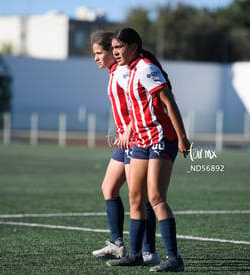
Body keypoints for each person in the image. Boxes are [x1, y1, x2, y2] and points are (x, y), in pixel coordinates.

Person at [106, 28, 191, 272]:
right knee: (136, 197)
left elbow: (169, 102)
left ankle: (174, 259)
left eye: (119, 47)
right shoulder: (130, 71)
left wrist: (183, 137)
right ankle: (135, 255)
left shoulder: (145, 68)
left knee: (155, 197)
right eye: (113, 48)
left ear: (134, 46)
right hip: (141, 141)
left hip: (161, 138)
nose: (115, 52)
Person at [90, 30, 159, 265]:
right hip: (123, 140)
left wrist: (129, 128)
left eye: (100, 53)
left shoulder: (123, 72)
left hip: (136, 139)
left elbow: (140, 104)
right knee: (109, 188)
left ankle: (148, 251)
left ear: (112, 51)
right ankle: (117, 244)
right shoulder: (114, 72)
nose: (96, 57)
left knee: (140, 197)